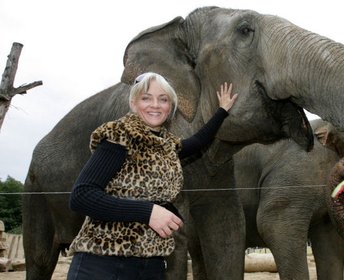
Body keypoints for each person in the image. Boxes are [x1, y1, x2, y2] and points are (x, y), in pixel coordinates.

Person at [67, 72, 238, 280]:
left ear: (171, 107)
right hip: (104, 263)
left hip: (152, 264)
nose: (155, 105)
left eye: (163, 99)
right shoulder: (120, 136)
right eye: (146, 98)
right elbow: (81, 196)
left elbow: (198, 141)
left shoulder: (166, 145)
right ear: (133, 103)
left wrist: (222, 111)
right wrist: (148, 212)